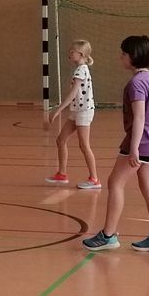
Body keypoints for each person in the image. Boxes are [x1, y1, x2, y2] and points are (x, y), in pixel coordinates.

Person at [83, 35, 149, 252]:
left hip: (142, 142)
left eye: (123, 54)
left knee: (115, 183)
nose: (120, 57)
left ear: (134, 56)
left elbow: (140, 117)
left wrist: (134, 148)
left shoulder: (136, 83)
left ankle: (108, 235)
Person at [45, 40, 101, 189]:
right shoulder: (80, 69)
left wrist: (58, 110)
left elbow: (72, 94)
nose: (69, 54)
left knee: (84, 145)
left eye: (72, 52)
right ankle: (62, 174)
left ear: (81, 54)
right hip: (77, 110)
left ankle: (94, 179)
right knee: (61, 140)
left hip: (84, 111)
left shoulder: (81, 70)